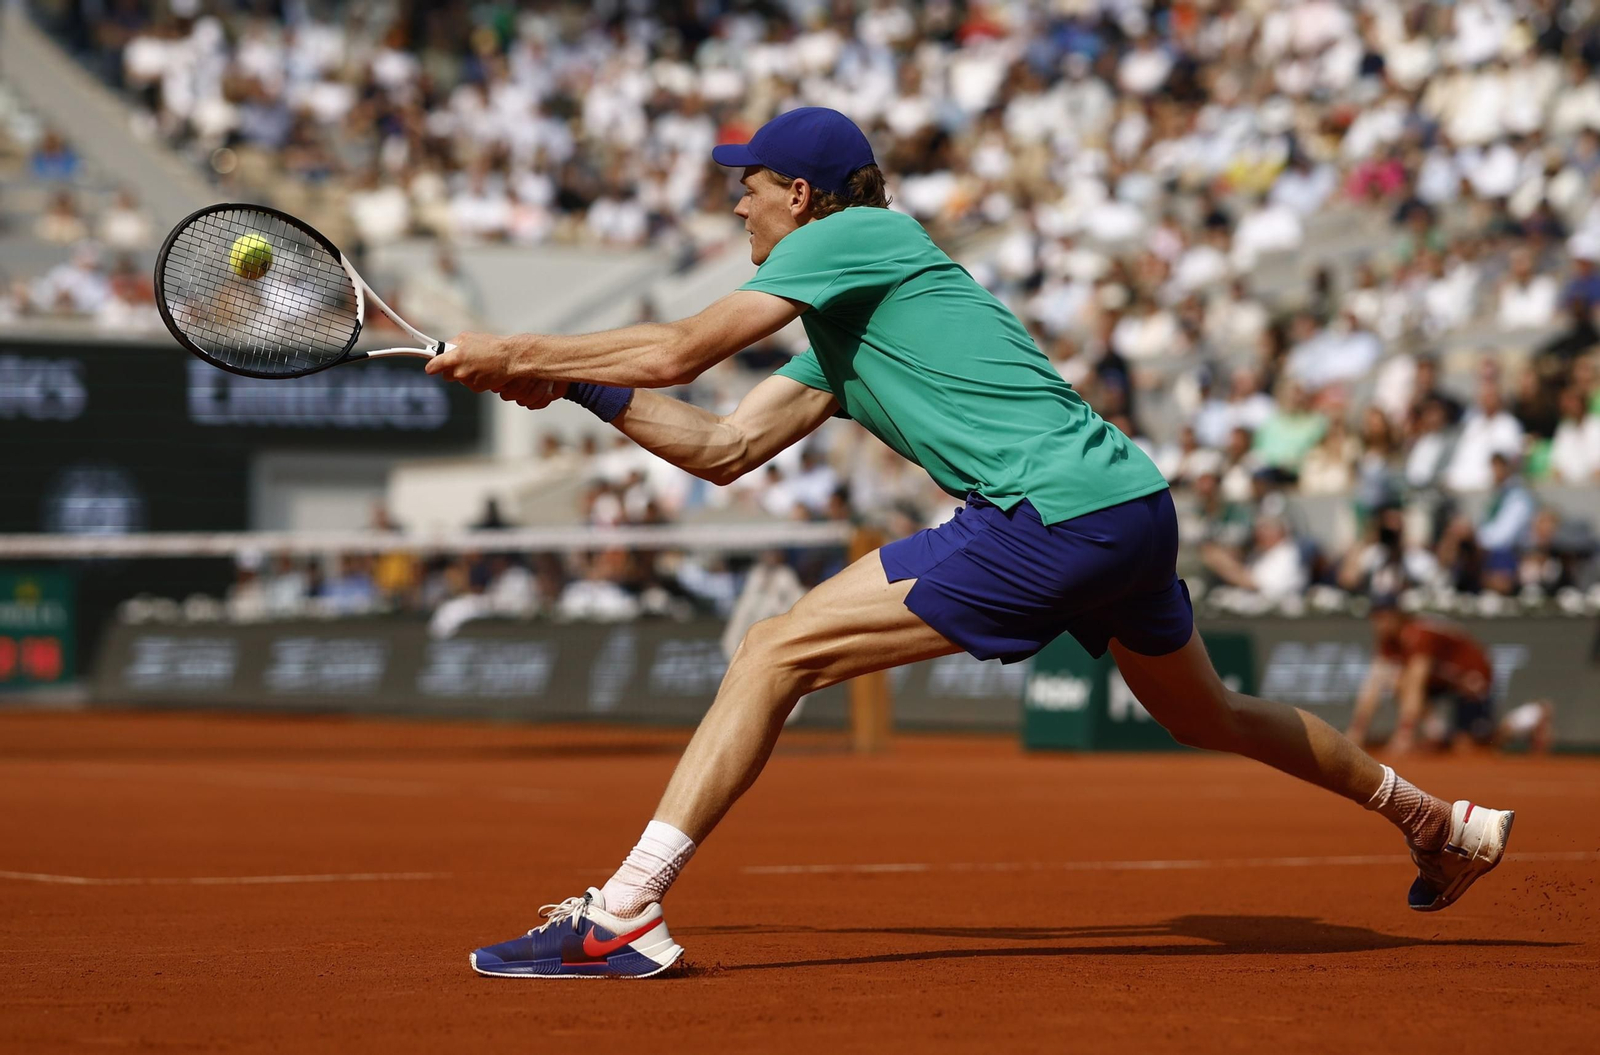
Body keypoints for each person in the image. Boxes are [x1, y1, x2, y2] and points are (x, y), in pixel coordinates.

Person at [426, 108, 1516, 979]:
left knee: (771, 649)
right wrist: (573, 381)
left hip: (1047, 514)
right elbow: (721, 442)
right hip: (1128, 504)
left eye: (745, 188)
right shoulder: (843, 315)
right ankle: (1434, 820)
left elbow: (678, 349)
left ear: (798, 196)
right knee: (1205, 710)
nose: (737, 205)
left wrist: (515, 344)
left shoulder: (854, 238)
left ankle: (621, 912)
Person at [1348, 596, 1553, 756]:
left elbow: (1417, 680)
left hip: (1471, 676)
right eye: (1375, 617)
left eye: (1384, 616)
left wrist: (1404, 734)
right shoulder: (1388, 640)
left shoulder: (1419, 633)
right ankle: (1435, 733)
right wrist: (1357, 731)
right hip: (1443, 679)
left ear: (1398, 616)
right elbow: (1374, 681)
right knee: (1395, 680)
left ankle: (1532, 715)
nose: (1379, 623)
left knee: (1474, 747)